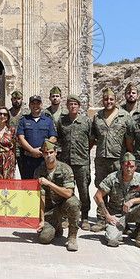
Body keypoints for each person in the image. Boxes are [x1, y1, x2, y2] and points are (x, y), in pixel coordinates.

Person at [90, 87, 136, 232]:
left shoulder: (125, 116)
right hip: (102, 159)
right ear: (102, 100)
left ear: (115, 100)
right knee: (101, 188)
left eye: (111, 99)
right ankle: (102, 219)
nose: (108, 101)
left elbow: (129, 140)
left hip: (119, 159)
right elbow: (93, 138)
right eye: (105, 99)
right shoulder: (97, 117)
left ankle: (123, 220)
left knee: (120, 191)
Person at [94, 152, 140, 250]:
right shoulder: (113, 177)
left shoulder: (139, 178)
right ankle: (118, 230)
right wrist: (107, 216)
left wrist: (133, 201)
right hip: (116, 215)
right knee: (112, 241)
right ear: (122, 166)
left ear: (135, 167)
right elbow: (97, 196)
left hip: (132, 212)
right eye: (126, 166)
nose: (128, 169)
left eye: (131, 166)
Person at [56, 94, 94, 230]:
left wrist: (82, 151)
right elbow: (58, 138)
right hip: (66, 162)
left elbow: (92, 140)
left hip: (82, 162)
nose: (73, 107)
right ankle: (67, 216)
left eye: (75, 104)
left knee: (83, 190)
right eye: (70, 104)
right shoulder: (62, 121)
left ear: (79, 106)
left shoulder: (86, 121)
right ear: (67, 106)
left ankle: (84, 217)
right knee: (66, 190)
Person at [35, 141, 80, 251]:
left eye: (51, 152)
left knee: (74, 202)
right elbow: (41, 197)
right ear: (43, 154)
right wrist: (41, 219)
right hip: (49, 211)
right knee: (44, 238)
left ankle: (72, 237)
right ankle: (56, 226)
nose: (48, 155)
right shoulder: (39, 171)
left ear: (56, 152)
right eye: (46, 153)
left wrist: (49, 183)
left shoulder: (65, 169)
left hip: (63, 206)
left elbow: (68, 193)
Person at [16, 95, 57, 179]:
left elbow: (53, 137)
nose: (35, 106)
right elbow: (20, 138)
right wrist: (32, 150)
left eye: (37, 103)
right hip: (27, 159)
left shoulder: (48, 121)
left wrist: (42, 149)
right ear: (29, 105)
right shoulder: (24, 120)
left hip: (43, 159)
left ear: (41, 105)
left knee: (43, 184)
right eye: (33, 104)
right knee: (27, 185)